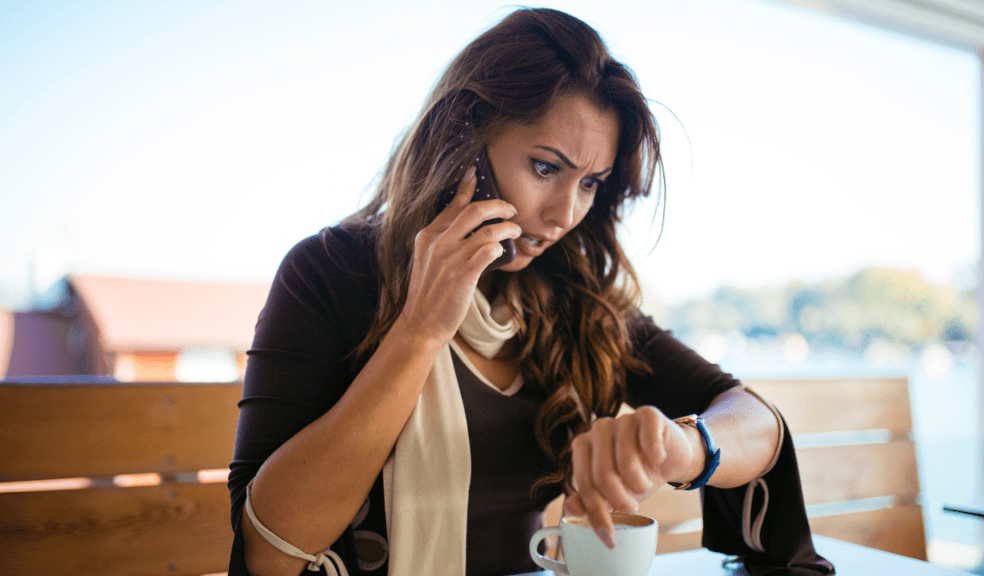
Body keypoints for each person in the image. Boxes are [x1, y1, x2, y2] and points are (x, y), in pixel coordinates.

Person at [228, 8, 809, 576]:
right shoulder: (331, 272)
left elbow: (755, 421)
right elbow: (269, 550)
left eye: (590, 184)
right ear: (463, 140)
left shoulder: (575, 300)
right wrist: (421, 331)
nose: (563, 215)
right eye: (545, 168)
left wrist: (680, 450)